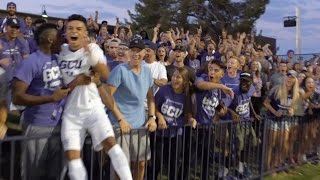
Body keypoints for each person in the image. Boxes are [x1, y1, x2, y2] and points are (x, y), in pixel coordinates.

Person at [58, 14, 132, 180]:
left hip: (93, 110)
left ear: (85, 33)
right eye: (70, 28)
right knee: (74, 160)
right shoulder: (61, 53)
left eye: (78, 29)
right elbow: (61, 88)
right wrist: (76, 81)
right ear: (65, 32)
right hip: (71, 113)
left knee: (113, 148)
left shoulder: (93, 49)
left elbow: (107, 75)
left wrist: (89, 56)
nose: (74, 31)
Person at [12, 23, 69, 180]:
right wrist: (50, 98)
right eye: (59, 38)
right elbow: (17, 97)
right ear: (50, 40)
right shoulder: (31, 61)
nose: (63, 41)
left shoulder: (59, 59)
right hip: (38, 126)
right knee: (34, 173)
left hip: (60, 125)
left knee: (56, 173)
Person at [107, 38, 157, 180]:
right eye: (133, 50)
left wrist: (152, 117)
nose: (136, 54)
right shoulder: (119, 70)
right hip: (120, 125)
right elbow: (107, 97)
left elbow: (151, 97)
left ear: (144, 52)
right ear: (128, 52)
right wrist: (120, 119)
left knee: (141, 163)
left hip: (140, 125)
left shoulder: (147, 72)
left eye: (139, 51)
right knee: (121, 166)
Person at [149, 67, 195, 180]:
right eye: (173, 76)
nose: (174, 79)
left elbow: (188, 113)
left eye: (178, 77)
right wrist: (159, 117)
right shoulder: (164, 89)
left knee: (173, 165)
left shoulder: (187, 95)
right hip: (159, 134)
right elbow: (154, 106)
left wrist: (191, 120)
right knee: (156, 163)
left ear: (184, 80)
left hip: (175, 134)